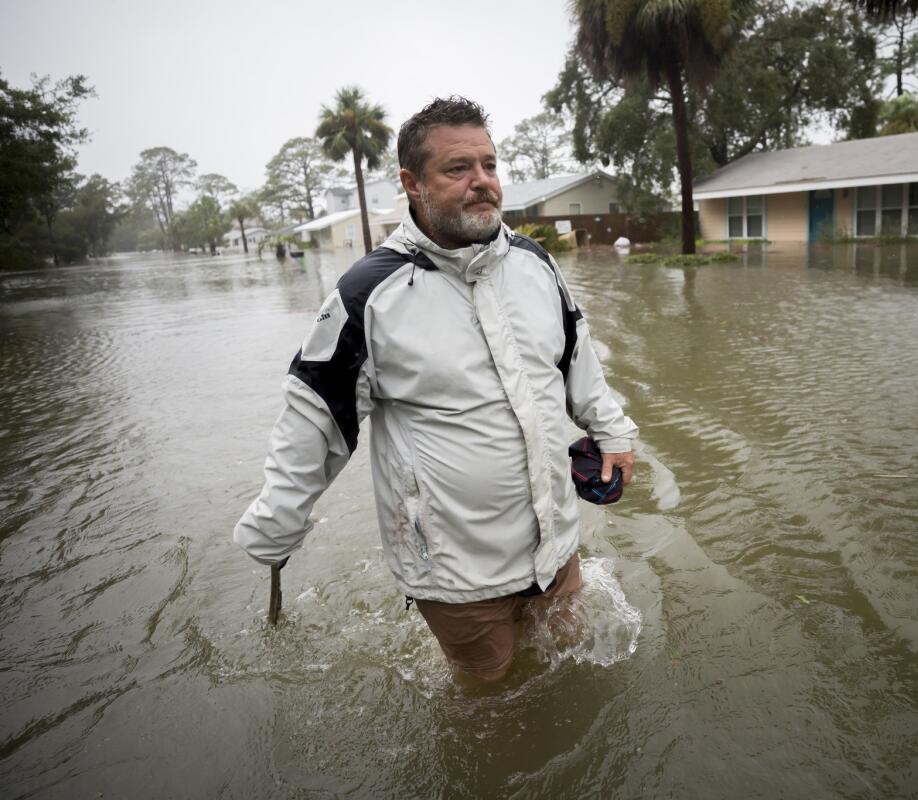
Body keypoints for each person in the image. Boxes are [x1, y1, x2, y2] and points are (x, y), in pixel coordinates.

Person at [233, 96, 637, 680]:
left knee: (569, 666)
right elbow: (315, 419)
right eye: (458, 169)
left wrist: (614, 432)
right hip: (455, 569)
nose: (482, 183)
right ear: (411, 183)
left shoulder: (535, 266)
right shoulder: (368, 294)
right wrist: (278, 522)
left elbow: (579, 362)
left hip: (554, 541)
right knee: (489, 701)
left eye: (490, 166)